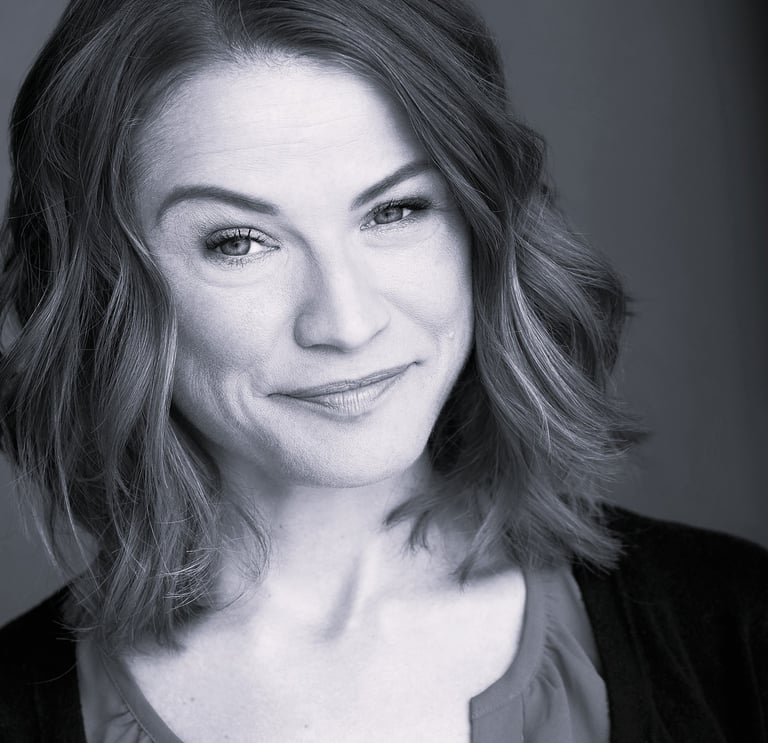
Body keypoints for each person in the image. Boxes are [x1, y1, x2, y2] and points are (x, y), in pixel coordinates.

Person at [0, 0, 765, 740]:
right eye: (238, 241)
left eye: (394, 211)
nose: (347, 322)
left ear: (483, 226)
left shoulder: (737, 625)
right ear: (101, 289)